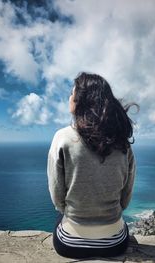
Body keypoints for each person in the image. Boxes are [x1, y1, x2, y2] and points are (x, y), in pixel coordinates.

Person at [47, 72, 138, 259]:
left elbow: (57, 197)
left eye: (72, 94)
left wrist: (74, 212)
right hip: (114, 243)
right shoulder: (122, 142)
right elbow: (125, 198)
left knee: (59, 219)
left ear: (80, 101)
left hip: (69, 244)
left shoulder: (62, 138)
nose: (69, 98)